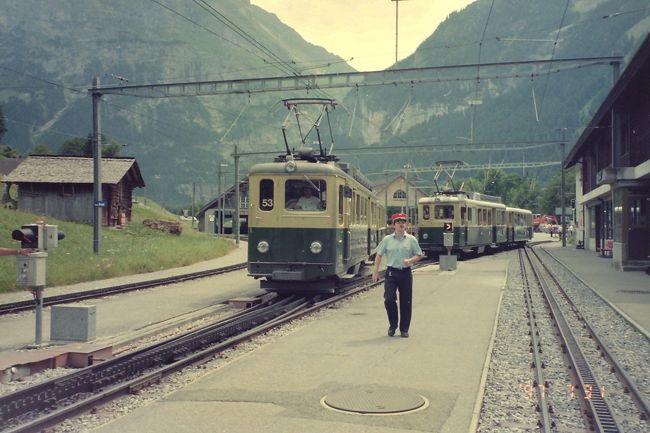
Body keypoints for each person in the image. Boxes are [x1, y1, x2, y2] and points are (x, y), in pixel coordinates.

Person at [372, 212, 423, 338]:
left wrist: (411, 261)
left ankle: (404, 329)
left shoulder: (411, 239)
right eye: (398, 222)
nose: (401, 224)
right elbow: (379, 254)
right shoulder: (387, 240)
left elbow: (419, 254)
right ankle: (393, 325)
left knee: (406, 302)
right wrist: (375, 271)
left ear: (406, 224)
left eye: (403, 221)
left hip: (405, 273)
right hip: (391, 273)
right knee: (389, 299)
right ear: (393, 225)